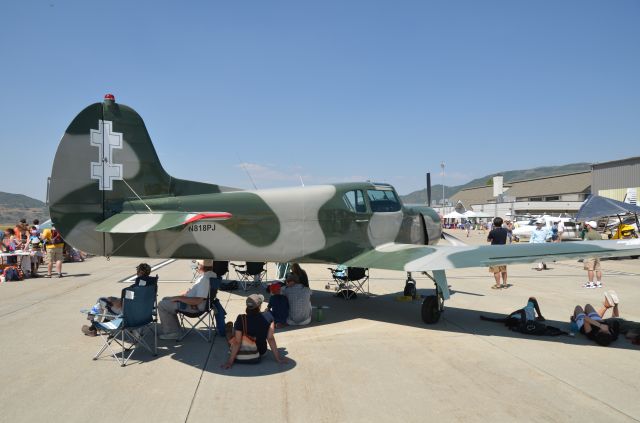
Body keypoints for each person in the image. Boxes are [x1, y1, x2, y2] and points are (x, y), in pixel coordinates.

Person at [81, 263, 154, 336]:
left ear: (140, 272)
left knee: (101, 300)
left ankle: (93, 327)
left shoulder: (132, 290)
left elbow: (121, 303)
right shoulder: (151, 286)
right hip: (144, 314)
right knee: (110, 305)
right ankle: (104, 323)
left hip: (129, 315)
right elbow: (133, 300)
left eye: (137, 269)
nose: (136, 271)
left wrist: (113, 301)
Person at [222, 294, 287, 368]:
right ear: (259, 306)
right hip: (262, 352)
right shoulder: (269, 316)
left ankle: (228, 330)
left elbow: (238, 342)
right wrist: (278, 358)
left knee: (233, 333)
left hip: (245, 351)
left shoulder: (241, 318)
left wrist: (230, 362)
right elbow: (270, 338)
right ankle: (229, 329)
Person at [158, 259, 215, 340]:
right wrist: (181, 296)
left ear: (201, 266)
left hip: (194, 307)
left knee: (162, 305)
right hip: (192, 302)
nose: (196, 266)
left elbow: (198, 300)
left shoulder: (204, 280)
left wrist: (179, 298)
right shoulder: (211, 275)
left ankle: (173, 333)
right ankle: (176, 329)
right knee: (166, 299)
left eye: (198, 264)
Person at [487, 217, 509, 289]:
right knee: (503, 269)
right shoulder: (505, 231)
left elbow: (488, 240)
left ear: (494, 223)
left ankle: (498, 285)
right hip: (503, 251)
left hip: (494, 252)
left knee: (496, 270)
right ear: (501, 223)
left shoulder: (492, 231)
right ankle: (505, 284)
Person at [582, 220, 603, 289]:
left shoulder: (588, 234)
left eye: (587, 225)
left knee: (590, 269)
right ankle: (599, 283)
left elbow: (584, 244)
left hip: (590, 253)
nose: (586, 226)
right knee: (598, 269)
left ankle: (591, 283)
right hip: (598, 253)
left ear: (590, 226)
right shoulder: (598, 234)